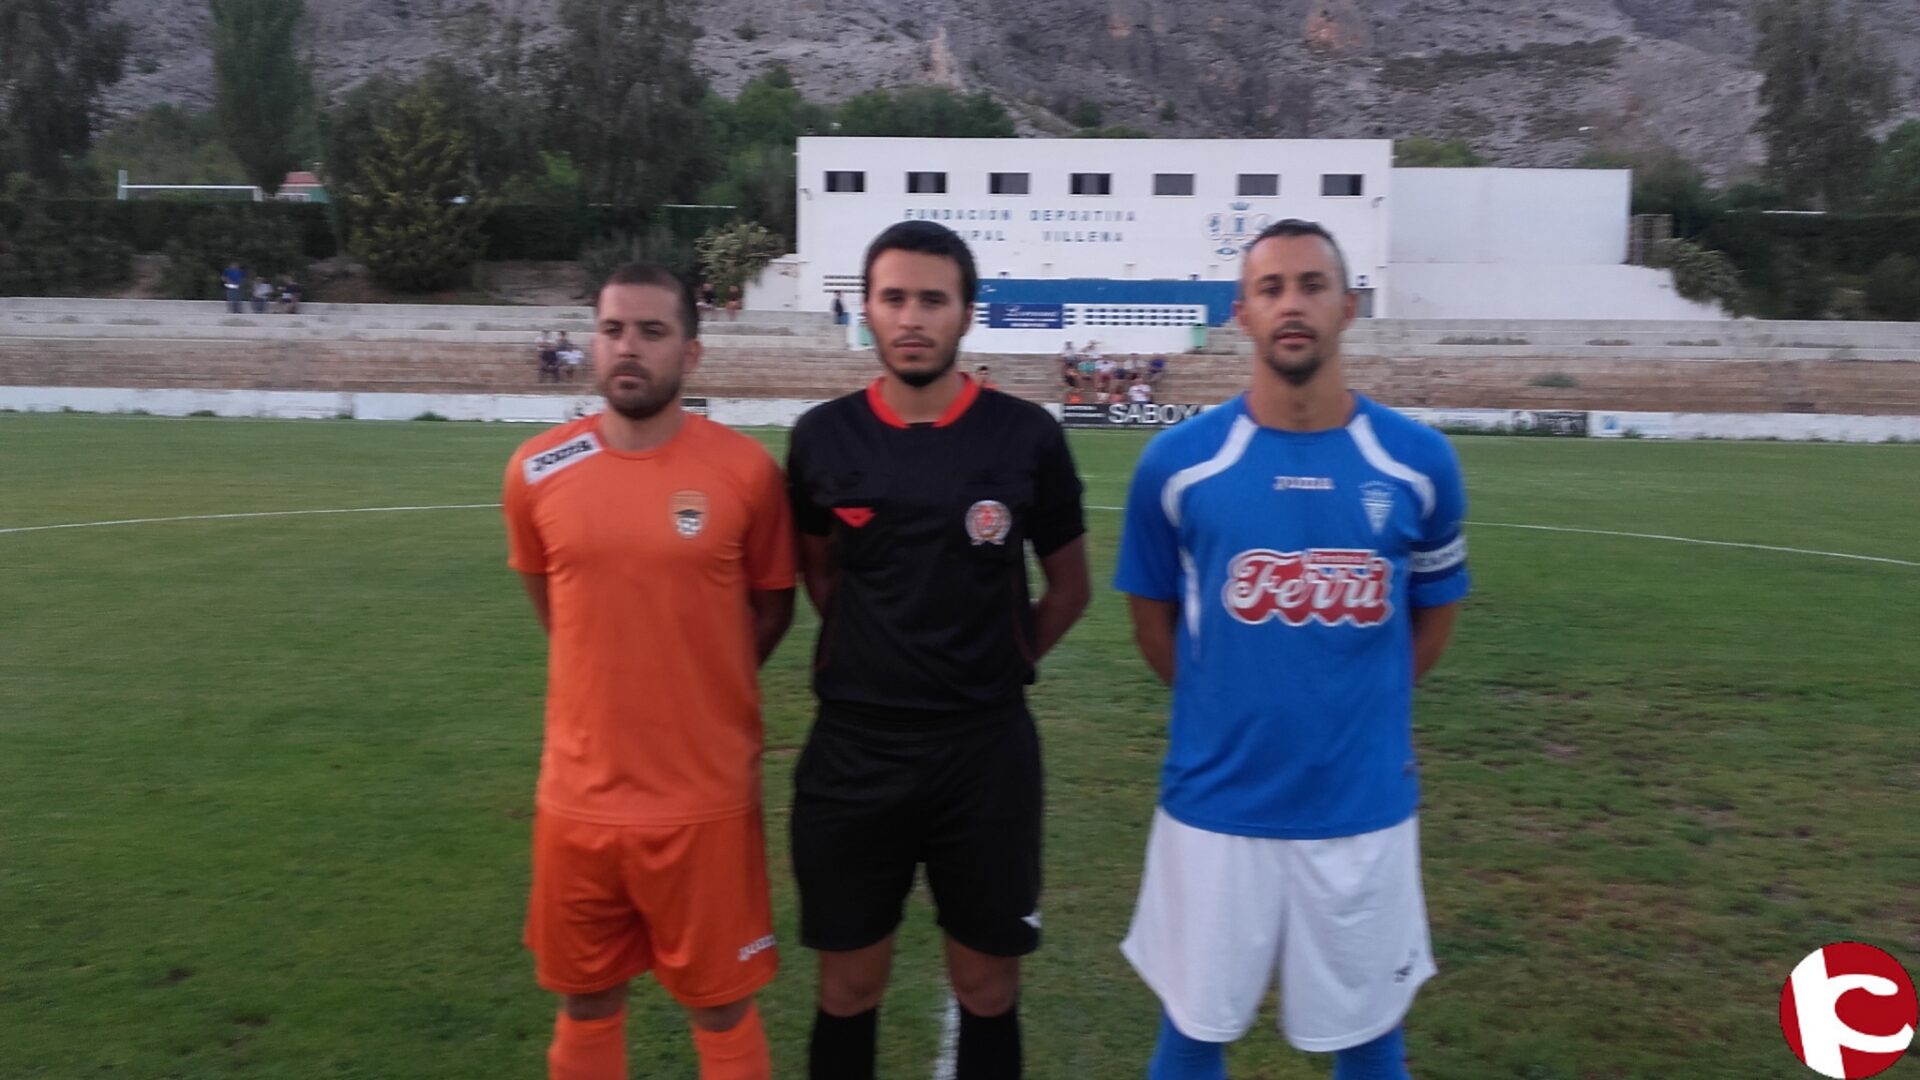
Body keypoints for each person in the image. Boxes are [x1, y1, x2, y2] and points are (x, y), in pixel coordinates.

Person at [1112, 220, 1470, 1080]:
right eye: (1270, 289)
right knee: (1192, 1033)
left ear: (1348, 306)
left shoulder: (1419, 463)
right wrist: (1227, 703)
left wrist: (1356, 707)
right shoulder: (1177, 465)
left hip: (1362, 809)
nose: (1292, 304)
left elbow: (1431, 622)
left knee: (1371, 1040)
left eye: (1312, 285)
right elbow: (1153, 625)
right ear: (1242, 314)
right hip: (1214, 804)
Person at [786, 220, 1091, 1080]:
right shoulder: (822, 437)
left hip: (985, 753)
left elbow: (1070, 587)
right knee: (848, 986)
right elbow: (822, 577)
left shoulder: (1025, 436)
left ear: (966, 312)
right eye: (894, 298)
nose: (911, 317)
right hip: (856, 752)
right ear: (867, 309)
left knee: (988, 988)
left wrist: (1002, 660)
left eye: (932, 299)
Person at [502, 262, 796, 1080]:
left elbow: (772, 610)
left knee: (721, 1006)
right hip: (578, 801)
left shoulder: (746, 472)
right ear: (593, 342)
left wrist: (698, 678)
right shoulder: (535, 470)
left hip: (702, 801)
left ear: (691, 353)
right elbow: (557, 611)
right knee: (585, 1000)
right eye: (613, 330)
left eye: (652, 331)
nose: (628, 347)